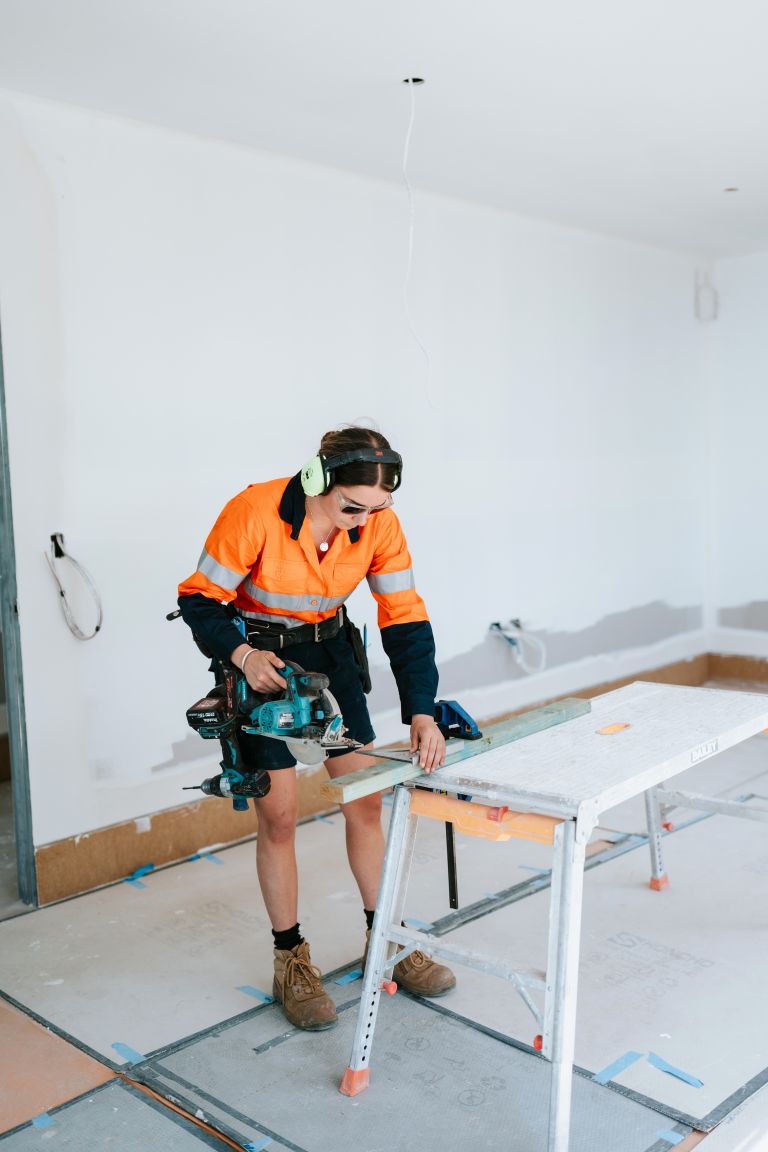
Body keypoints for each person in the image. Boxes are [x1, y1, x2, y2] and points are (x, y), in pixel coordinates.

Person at [177, 426, 455, 1030]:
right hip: (260, 668)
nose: (362, 523)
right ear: (316, 481)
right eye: (351, 507)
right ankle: (290, 960)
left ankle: (388, 939)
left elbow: (404, 618)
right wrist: (244, 658)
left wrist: (422, 711)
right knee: (278, 817)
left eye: (377, 509)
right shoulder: (252, 510)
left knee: (364, 803)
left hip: (330, 663)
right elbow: (200, 599)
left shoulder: (377, 521)